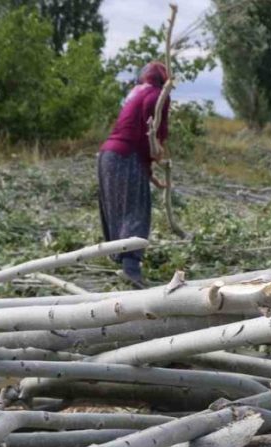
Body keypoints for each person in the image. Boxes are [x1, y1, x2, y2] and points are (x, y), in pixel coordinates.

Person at [97, 61, 171, 288]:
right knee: (136, 210)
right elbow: (152, 138)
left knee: (116, 210)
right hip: (126, 155)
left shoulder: (135, 93)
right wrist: (157, 155)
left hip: (107, 156)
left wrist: (149, 173)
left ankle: (120, 259)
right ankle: (130, 268)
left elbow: (140, 135)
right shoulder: (159, 96)